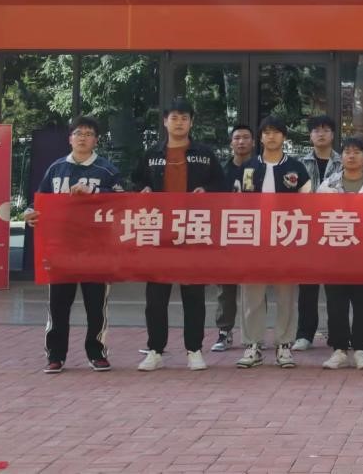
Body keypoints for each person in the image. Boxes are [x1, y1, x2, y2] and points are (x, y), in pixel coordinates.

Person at [132, 98, 227, 372]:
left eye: (184, 118)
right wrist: (142, 190)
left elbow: (220, 184)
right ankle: (155, 350)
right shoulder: (152, 154)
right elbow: (136, 181)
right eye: (174, 117)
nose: (179, 123)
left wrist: (206, 191)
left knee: (193, 295)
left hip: (193, 232)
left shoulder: (205, 154)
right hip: (159, 233)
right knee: (156, 297)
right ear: (165, 121)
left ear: (191, 122)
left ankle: (194, 350)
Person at [25, 116, 124, 373]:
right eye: (78, 133)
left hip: (97, 249)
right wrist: (29, 213)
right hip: (61, 248)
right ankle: (55, 356)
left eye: (89, 134)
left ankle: (97, 353)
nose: (83, 138)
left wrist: (94, 193)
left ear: (96, 140)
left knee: (96, 306)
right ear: (70, 138)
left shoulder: (106, 170)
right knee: (58, 306)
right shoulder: (56, 168)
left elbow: (123, 201)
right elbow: (39, 201)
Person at [235, 116, 313, 369]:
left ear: (284, 137)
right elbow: (236, 203)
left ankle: (284, 344)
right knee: (252, 294)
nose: (271, 136)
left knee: (286, 294)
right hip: (253, 239)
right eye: (266, 132)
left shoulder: (296, 168)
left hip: (286, 239)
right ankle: (252, 345)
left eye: (276, 132)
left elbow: (308, 204)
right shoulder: (248, 167)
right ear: (260, 137)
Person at [318, 136, 363, 370]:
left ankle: (361, 350)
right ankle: (339, 350)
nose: (351, 156)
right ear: (342, 157)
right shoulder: (328, 185)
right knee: (336, 304)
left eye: (357, 152)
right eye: (347, 151)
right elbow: (318, 216)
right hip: (334, 254)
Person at [291, 115, 341, 353]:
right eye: (316, 130)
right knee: (307, 287)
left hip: (336, 230)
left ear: (333, 135)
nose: (321, 134)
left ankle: (337, 333)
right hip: (308, 231)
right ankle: (304, 334)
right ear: (310, 135)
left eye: (326, 130)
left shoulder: (344, 162)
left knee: (336, 287)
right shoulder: (299, 164)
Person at [212, 124, 256, 353]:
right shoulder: (220, 171)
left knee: (255, 286)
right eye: (237, 138)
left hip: (255, 233)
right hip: (226, 234)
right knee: (225, 286)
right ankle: (224, 331)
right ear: (231, 143)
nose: (241, 142)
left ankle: (254, 333)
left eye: (246, 138)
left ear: (253, 143)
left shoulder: (260, 168)